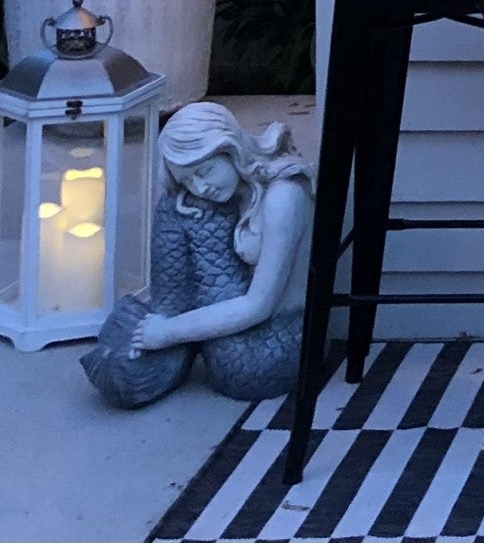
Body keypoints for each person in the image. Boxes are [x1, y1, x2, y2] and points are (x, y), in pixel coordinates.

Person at [82, 103, 315, 406]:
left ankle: (160, 331)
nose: (201, 187)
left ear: (229, 149)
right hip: (238, 322)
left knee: (178, 212)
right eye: (188, 179)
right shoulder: (242, 190)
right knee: (178, 204)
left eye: (204, 171)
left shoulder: (283, 199)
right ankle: (156, 330)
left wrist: (168, 332)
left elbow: (257, 307)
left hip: (274, 345)